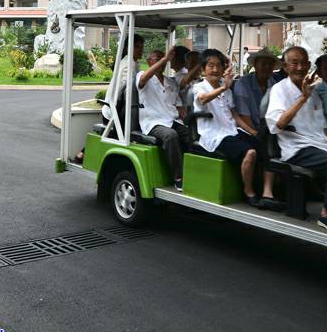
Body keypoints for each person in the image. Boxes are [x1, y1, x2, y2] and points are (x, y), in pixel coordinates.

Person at [265, 46, 327, 230]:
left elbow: (322, 128)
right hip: (296, 148)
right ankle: (326, 214)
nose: (300, 67)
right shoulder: (279, 90)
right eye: (294, 63)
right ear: (286, 67)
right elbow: (278, 124)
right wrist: (302, 98)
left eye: (304, 63)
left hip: (318, 144)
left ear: (309, 65)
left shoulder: (313, 91)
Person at [193, 49, 263, 206]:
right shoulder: (200, 88)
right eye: (211, 66)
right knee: (250, 153)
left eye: (218, 66)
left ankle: (265, 191)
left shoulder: (227, 91)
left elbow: (235, 116)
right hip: (215, 135)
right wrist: (224, 87)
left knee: (262, 145)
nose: (215, 70)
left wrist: (253, 132)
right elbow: (203, 100)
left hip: (232, 131)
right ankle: (248, 191)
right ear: (203, 69)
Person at [232, 48, 283, 209]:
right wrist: (259, 134)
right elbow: (244, 119)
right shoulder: (243, 84)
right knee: (266, 145)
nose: (266, 67)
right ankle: (260, 192)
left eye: (270, 64)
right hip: (245, 129)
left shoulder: (273, 84)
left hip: (267, 129)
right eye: (263, 64)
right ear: (255, 65)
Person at [139, 47, 189, 191]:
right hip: (154, 122)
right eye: (158, 58)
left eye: (165, 59)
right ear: (149, 61)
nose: (163, 61)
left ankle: (193, 172)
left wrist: (188, 117)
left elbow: (179, 107)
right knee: (171, 135)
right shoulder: (143, 76)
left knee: (192, 134)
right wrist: (165, 58)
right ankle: (178, 177)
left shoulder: (171, 82)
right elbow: (142, 80)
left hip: (172, 120)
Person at [101, 34, 144, 124]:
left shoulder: (134, 63)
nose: (141, 50)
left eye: (141, 47)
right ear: (128, 48)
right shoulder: (128, 64)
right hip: (114, 114)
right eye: (137, 47)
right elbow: (127, 90)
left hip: (119, 110)